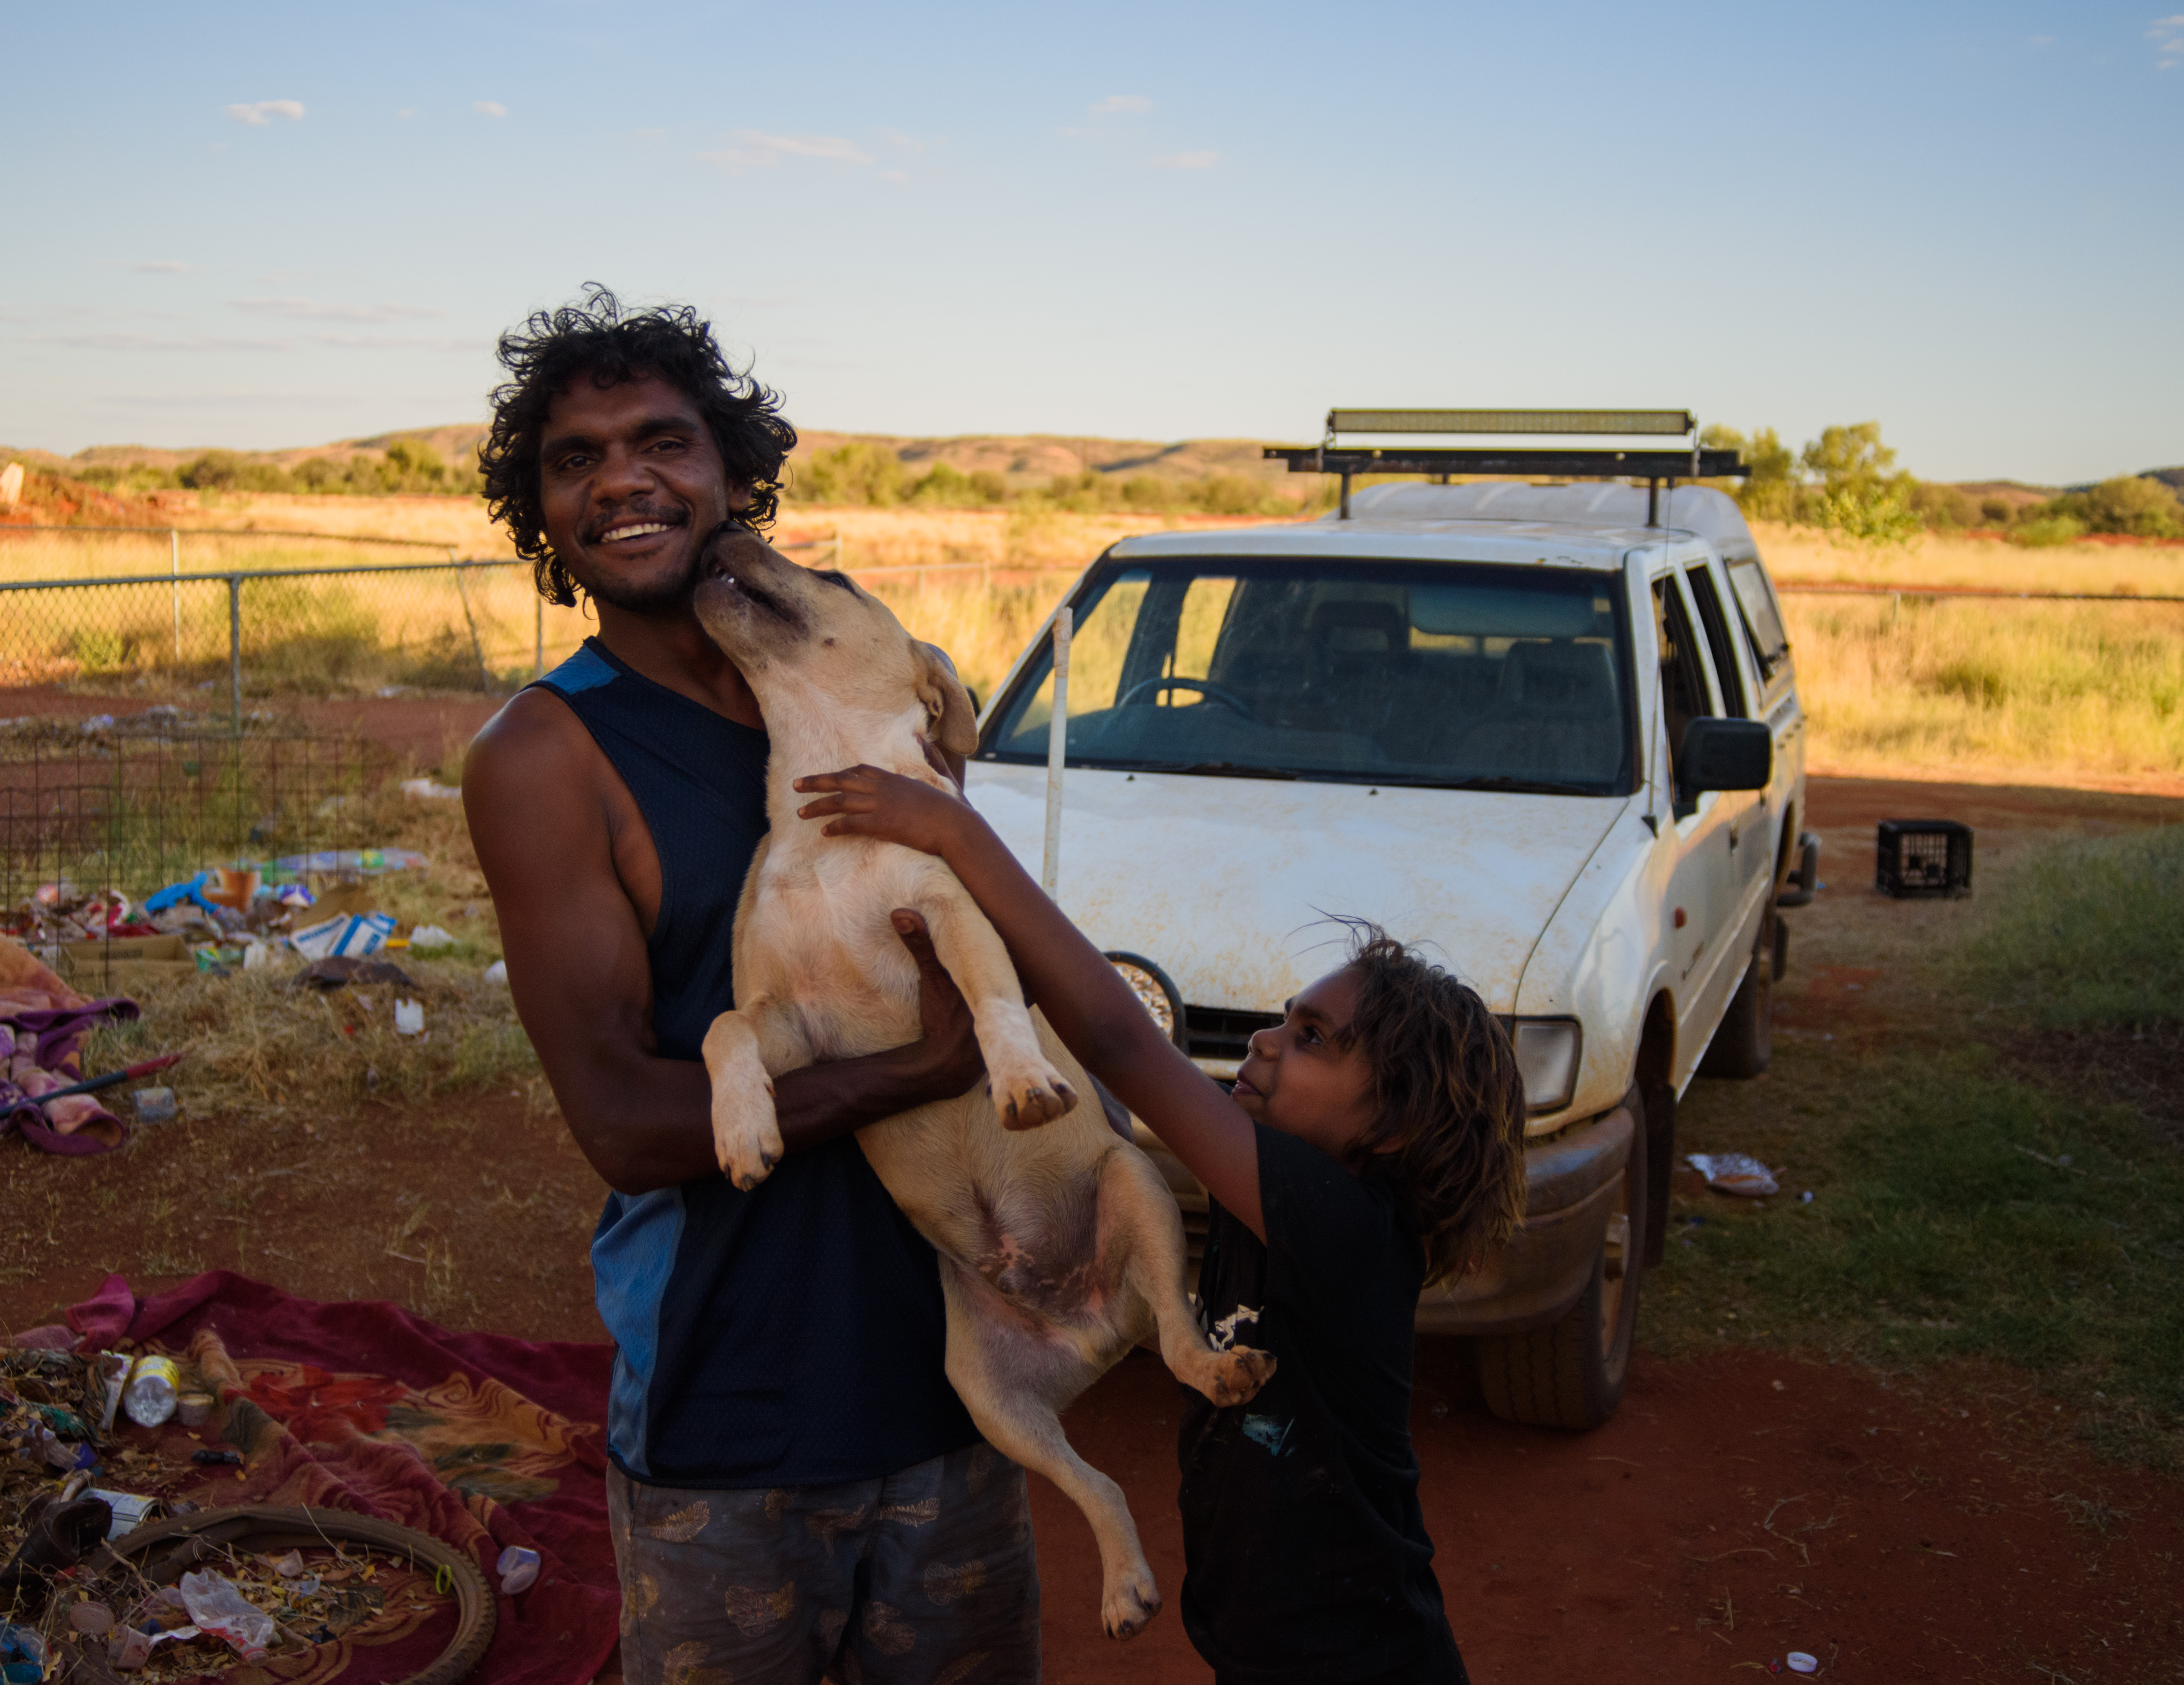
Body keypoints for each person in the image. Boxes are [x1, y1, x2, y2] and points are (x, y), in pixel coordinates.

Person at [462, 287, 1041, 1685]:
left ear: (732, 473)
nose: (620, 480)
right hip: (733, 1419)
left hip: (953, 1378)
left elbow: (973, 944)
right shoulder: (547, 757)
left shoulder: (858, 691)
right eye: (573, 458)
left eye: (660, 441)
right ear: (542, 516)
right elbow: (624, 1120)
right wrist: (912, 1071)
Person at [787, 762, 1529, 1685]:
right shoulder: (1278, 1211)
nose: (1264, 1040)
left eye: (1309, 1039)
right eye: (1282, 1022)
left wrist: (954, 833)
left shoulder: (1341, 1226)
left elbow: (1118, 1040)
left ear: (1394, 1124)